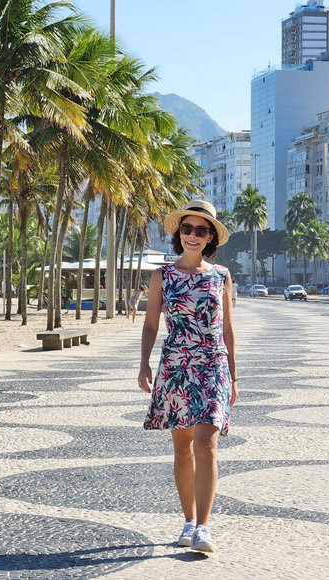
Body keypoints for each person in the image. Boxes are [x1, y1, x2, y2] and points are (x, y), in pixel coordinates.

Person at [138, 199, 237, 554]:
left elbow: (227, 327)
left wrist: (235, 378)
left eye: (200, 230)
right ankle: (188, 521)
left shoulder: (221, 276)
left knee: (206, 445)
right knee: (182, 450)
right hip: (176, 366)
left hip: (212, 366)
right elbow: (151, 324)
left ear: (210, 237)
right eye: (187, 228)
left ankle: (205, 528)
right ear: (179, 234)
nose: (192, 235)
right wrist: (144, 364)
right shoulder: (162, 276)